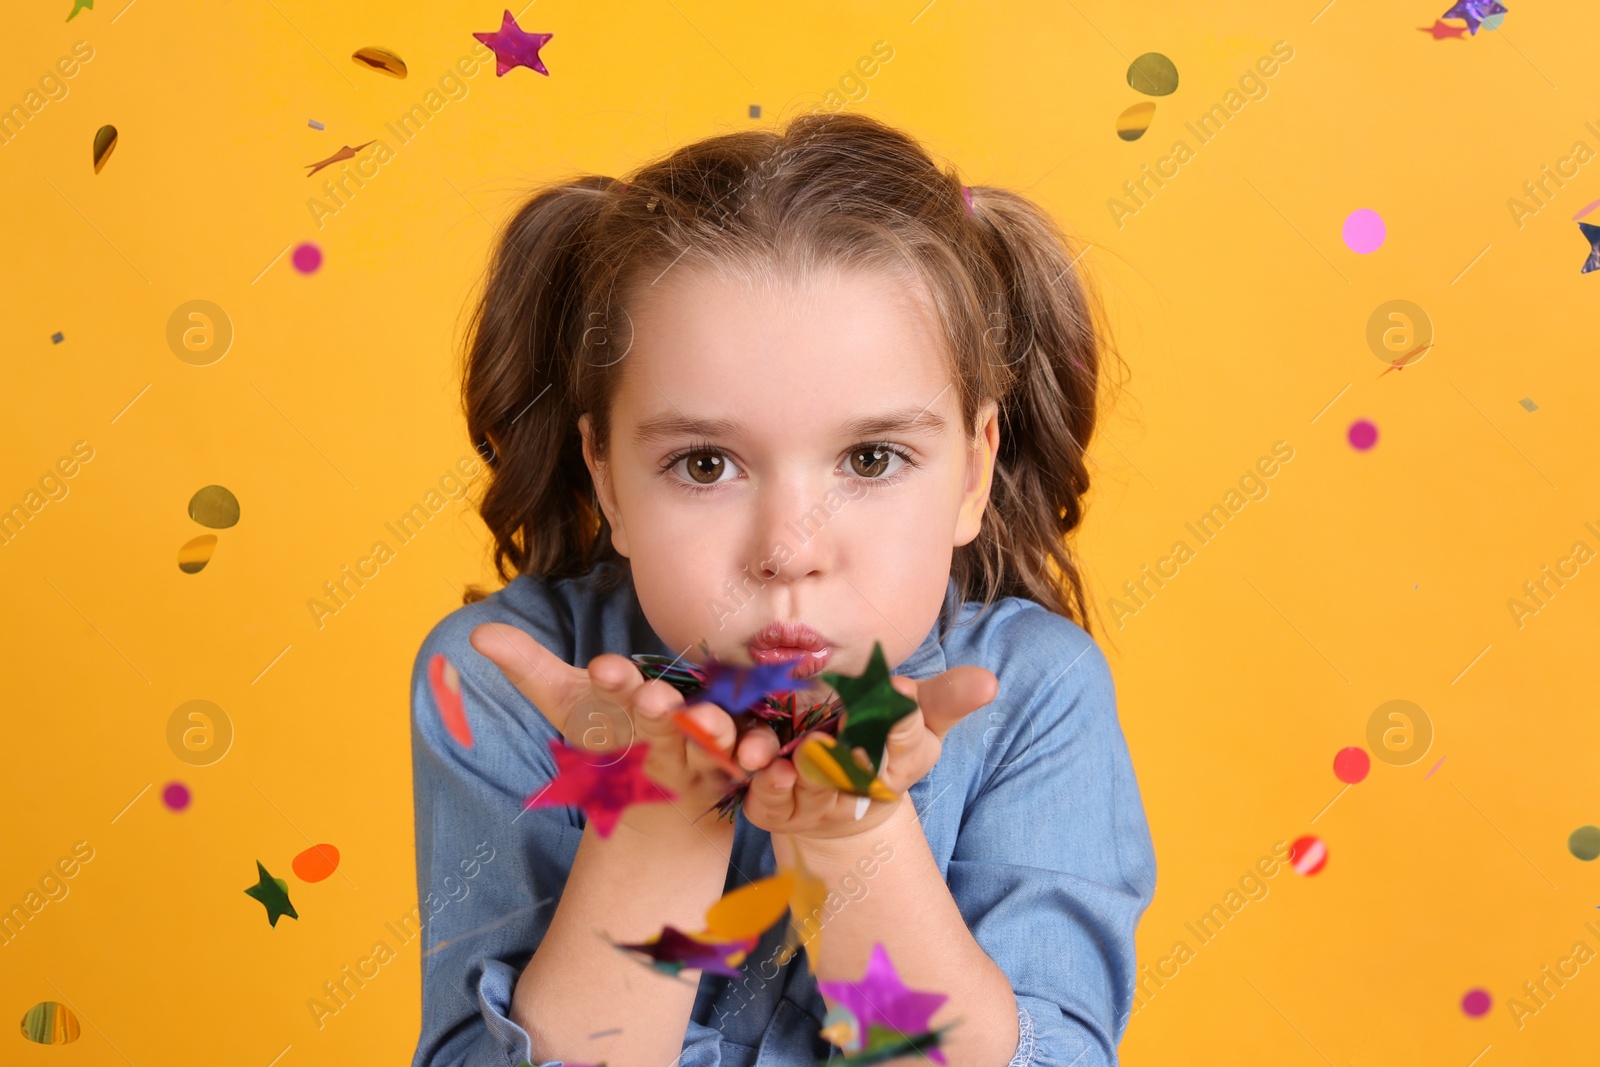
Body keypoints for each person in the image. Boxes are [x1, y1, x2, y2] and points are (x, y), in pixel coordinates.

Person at [409, 110, 1155, 1067]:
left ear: (972, 471)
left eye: (873, 457)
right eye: (707, 464)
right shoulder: (505, 689)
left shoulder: (1033, 698)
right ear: (606, 478)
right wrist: (653, 823)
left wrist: (854, 840)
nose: (787, 549)